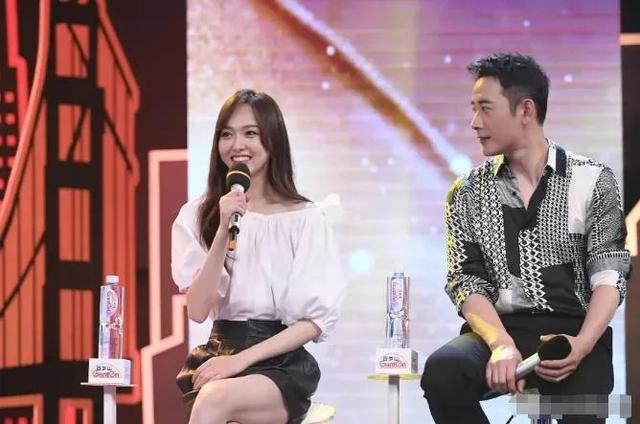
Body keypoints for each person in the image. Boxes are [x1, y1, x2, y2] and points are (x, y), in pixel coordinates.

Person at [420, 53, 630, 423]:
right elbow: (466, 281)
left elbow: (609, 276)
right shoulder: (467, 192)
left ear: (525, 110)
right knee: (443, 372)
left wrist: (582, 345)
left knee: (585, 407)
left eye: (485, 108)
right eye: (473, 109)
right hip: (500, 330)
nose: (474, 122)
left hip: (574, 332)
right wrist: (500, 344)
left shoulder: (594, 180)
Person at [171, 89, 345, 424]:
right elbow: (197, 310)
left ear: (272, 139)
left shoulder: (305, 217)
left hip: (279, 361)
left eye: (250, 133)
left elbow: (312, 322)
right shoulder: (198, 213)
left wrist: (239, 361)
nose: (237, 145)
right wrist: (223, 228)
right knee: (212, 395)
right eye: (227, 134)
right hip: (218, 351)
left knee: (213, 399)